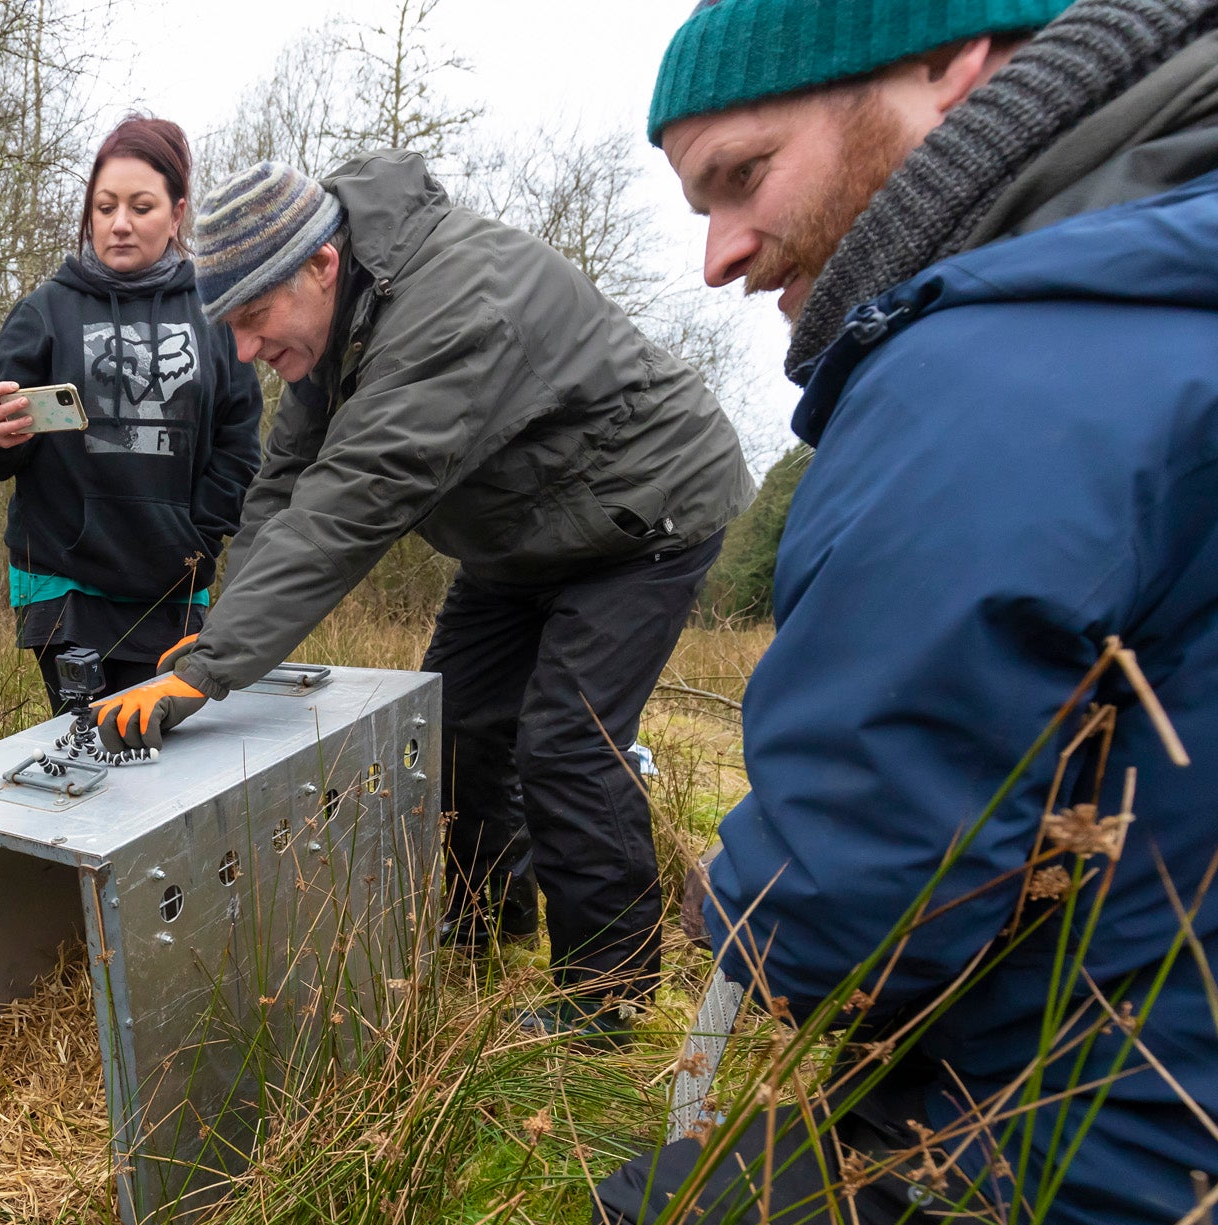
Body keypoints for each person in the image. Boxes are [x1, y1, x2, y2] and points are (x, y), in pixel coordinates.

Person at [599, 0, 1218, 1225]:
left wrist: (735, 896)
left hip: (1145, 1222)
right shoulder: (1190, 291)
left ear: (954, 72)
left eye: (743, 174)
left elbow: (845, 927)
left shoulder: (996, 368)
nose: (714, 257)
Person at [88, 154, 755, 1044]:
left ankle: (609, 993)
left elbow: (350, 501)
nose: (246, 350)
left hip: (639, 516)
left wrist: (215, 669)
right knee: (456, 727)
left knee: (565, 741)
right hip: (521, 537)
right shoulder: (338, 327)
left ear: (320, 266)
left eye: (253, 318)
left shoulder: (450, 309)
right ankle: (490, 914)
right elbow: (285, 486)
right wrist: (213, 634)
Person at [0, 117, 263, 714]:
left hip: (173, 581)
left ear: (177, 215)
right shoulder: (45, 311)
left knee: (159, 762)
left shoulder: (215, 316)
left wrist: (197, 536)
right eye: (104, 207)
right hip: (65, 582)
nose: (119, 223)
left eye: (140, 206)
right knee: (91, 755)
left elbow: (241, 446)